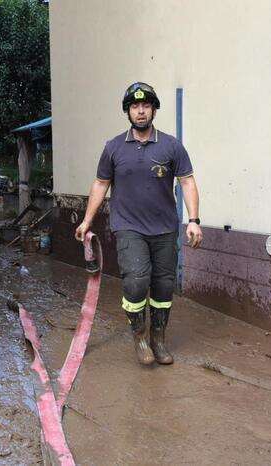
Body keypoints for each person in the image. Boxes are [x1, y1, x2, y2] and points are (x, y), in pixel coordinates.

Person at [75, 82, 203, 366]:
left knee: (163, 286)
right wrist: (86, 220)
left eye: (146, 106)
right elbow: (100, 184)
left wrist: (193, 220)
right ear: (128, 111)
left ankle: (158, 338)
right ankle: (140, 336)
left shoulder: (171, 145)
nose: (141, 111)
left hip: (165, 228)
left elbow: (187, 181)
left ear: (154, 110)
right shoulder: (114, 148)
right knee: (136, 281)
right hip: (129, 226)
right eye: (135, 106)